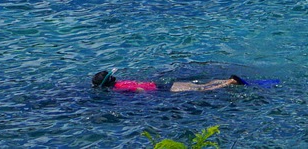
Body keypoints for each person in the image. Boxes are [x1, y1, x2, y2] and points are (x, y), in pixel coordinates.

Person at [92, 71, 247, 93]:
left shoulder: (118, 89)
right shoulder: (122, 82)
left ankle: (230, 83)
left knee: (200, 90)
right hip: (161, 85)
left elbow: (139, 90)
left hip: (162, 91)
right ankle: (225, 80)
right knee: (200, 85)